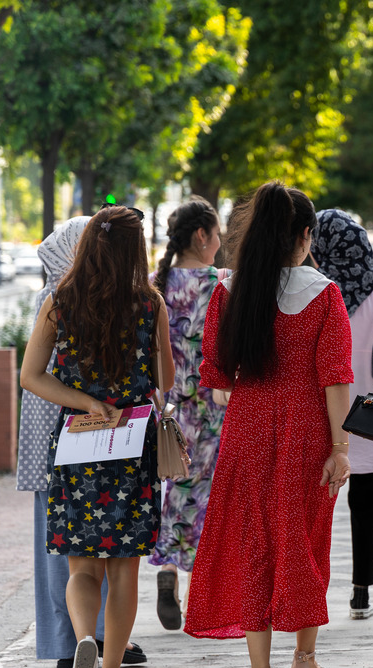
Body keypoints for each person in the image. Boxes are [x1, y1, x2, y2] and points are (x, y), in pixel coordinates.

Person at [184, 182, 354, 668]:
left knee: (254, 542)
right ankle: (303, 662)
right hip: (308, 433)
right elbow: (336, 380)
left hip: (248, 430)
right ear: (305, 236)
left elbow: (216, 376)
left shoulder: (229, 292)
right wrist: (341, 447)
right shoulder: (324, 294)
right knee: (305, 539)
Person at [20, 205, 172, 668]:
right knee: (125, 567)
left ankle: (84, 638)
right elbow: (165, 376)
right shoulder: (149, 304)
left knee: (82, 567)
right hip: (130, 448)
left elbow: (31, 376)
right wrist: (138, 399)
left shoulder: (60, 302)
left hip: (76, 449)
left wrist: (85, 402)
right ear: (137, 250)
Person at [310, 209, 373, 620]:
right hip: (371, 415)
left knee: (318, 506)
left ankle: (311, 589)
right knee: (368, 505)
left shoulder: (314, 289)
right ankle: (360, 591)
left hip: (323, 410)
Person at [148, 197, 227, 630]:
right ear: (202, 235)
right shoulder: (219, 283)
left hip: (168, 408)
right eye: (216, 235)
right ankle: (201, 590)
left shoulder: (153, 282)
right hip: (213, 406)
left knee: (175, 490)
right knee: (209, 497)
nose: (219, 243)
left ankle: (168, 572)